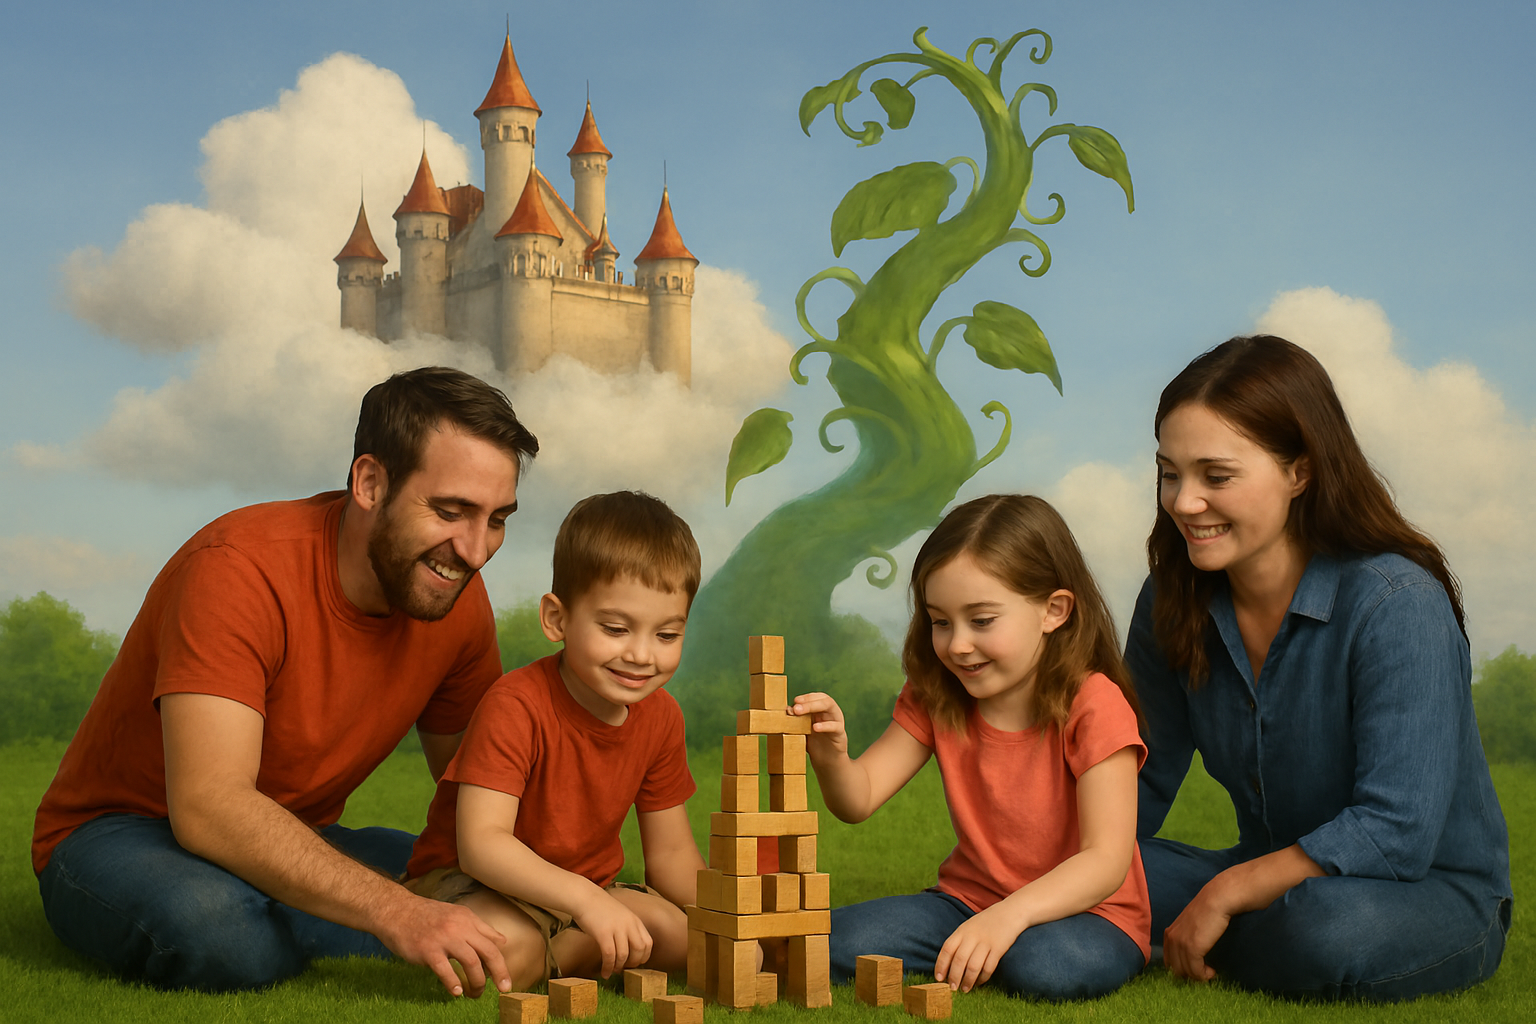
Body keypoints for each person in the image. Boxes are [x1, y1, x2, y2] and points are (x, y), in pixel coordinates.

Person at [32, 366, 539, 996]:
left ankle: (318, 909)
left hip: (297, 833)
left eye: (497, 519)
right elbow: (210, 806)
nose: (474, 550)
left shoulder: (452, 593)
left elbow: (479, 787)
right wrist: (396, 909)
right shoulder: (239, 570)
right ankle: (347, 921)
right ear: (371, 482)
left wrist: (570, 885)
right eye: (450, 511)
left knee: (487, 886)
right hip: (124, 831)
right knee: (221, 931)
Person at [1128, 335, 1512, 1000]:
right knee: (1104, 873)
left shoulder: (1397, 603)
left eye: (1216, 477)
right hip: (1263, 876)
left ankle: (1189, 931)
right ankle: (1190, 925)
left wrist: (1226, 891)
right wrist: (1046, 873)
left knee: (1320, 930)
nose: (1184, 502)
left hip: (1418, 894)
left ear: (1299, 472)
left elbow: (1396, 834)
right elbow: (1136, 772)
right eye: (1170, 473)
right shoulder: (1171, 595)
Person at [793, 494, 1149, 1000]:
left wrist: (1009, 917)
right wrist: (831, 753)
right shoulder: (937, 693)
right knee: (828, 941)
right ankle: (979, 947)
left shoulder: (1095, 704)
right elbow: (858, 798)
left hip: (1090, 913)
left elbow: (1105, 861)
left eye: (981, 621)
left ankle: (998, 948)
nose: (957, 644)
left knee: (1046, 965)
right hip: (965, 902)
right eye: (941, 621)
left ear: (1053, 610)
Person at [404, 490, 707, 988]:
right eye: (615, 628)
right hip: (475, 885)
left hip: (587, 889)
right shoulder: (516, 704)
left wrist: (735, 919)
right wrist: (588, 904)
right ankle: (581, 943)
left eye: (667, 635)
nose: (640, 655)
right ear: (557, 619)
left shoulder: (661, 718)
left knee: (689, 939)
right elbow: (482, 845)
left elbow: (672, 858)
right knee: (492, 959)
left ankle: (584, 939)